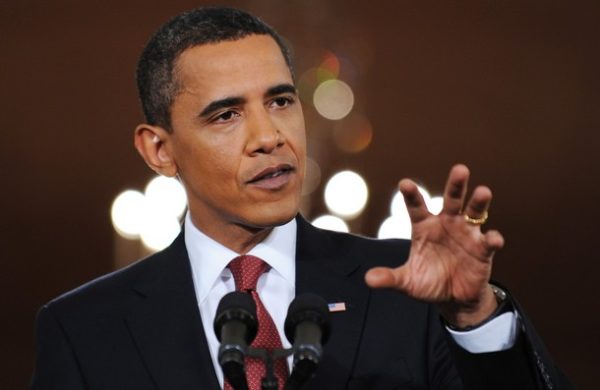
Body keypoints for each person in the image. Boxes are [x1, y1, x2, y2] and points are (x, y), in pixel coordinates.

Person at [31, 6, 572, 390]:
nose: (270, 136)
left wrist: (476, 317)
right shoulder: (84, 329)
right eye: (226, 114)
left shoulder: (409, 288)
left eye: (281, 101)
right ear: (159, 150)